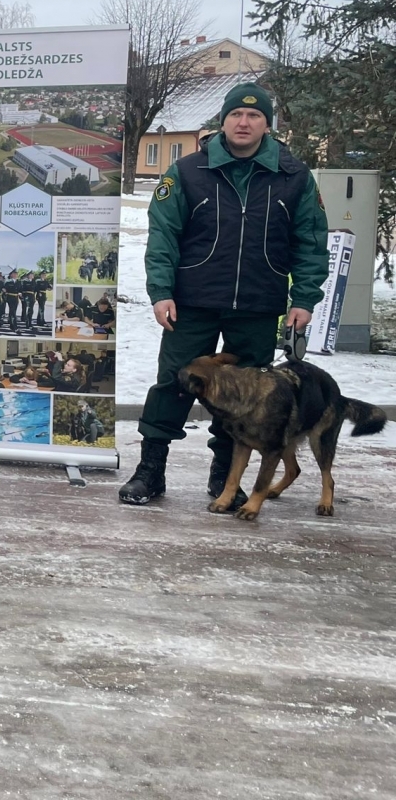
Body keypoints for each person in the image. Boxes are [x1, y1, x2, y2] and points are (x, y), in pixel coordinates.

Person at [122, 81, 330, 505]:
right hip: (191, 303)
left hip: (258, 305)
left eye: (254, 116)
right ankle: (150, 472)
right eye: (236, 114)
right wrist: (161, 291)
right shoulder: (187, 172)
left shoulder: (294, 178)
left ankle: (224, 479)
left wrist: (304, 298)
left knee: (249, 397)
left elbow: (310, 242)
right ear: (223, 120)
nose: (244, 122)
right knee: (172, 385)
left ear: (267, 126)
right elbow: (164, 237)